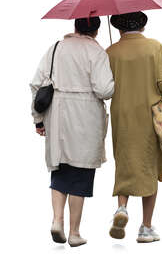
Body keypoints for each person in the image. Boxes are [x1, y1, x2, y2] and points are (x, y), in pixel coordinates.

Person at [30, 17, 114, 247]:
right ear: (96, 30)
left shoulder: (56, 48)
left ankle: (57, 220)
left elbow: (37, 84)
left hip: (57, 115)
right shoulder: (97, 53)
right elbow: (104, 90)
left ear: (75, 26)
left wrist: (38, 119)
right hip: (86, 117)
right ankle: (75, 233)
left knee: (60, 168)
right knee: (81, 171)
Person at [106, 11, 162, 242]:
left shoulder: (111, 51)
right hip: (149, 114)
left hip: (122, 115)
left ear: (119, 28)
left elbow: (106, 88)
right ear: (142, 26)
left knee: (125, 159)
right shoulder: (155, 47)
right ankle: (145, 227)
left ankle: (122, 208)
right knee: (149, 165)